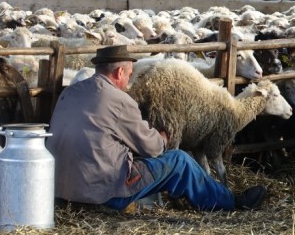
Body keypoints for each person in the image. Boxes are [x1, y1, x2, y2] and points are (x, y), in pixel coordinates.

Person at [46, 45, 266, 213]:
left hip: (59, 191)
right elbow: (153, 149)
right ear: (120, 72)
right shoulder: (118, 100)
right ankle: (231, 202)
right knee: (179, 161)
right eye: (130, 74)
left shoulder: (71, 91)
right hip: (101, 193)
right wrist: (161, 136)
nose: (129, 80)